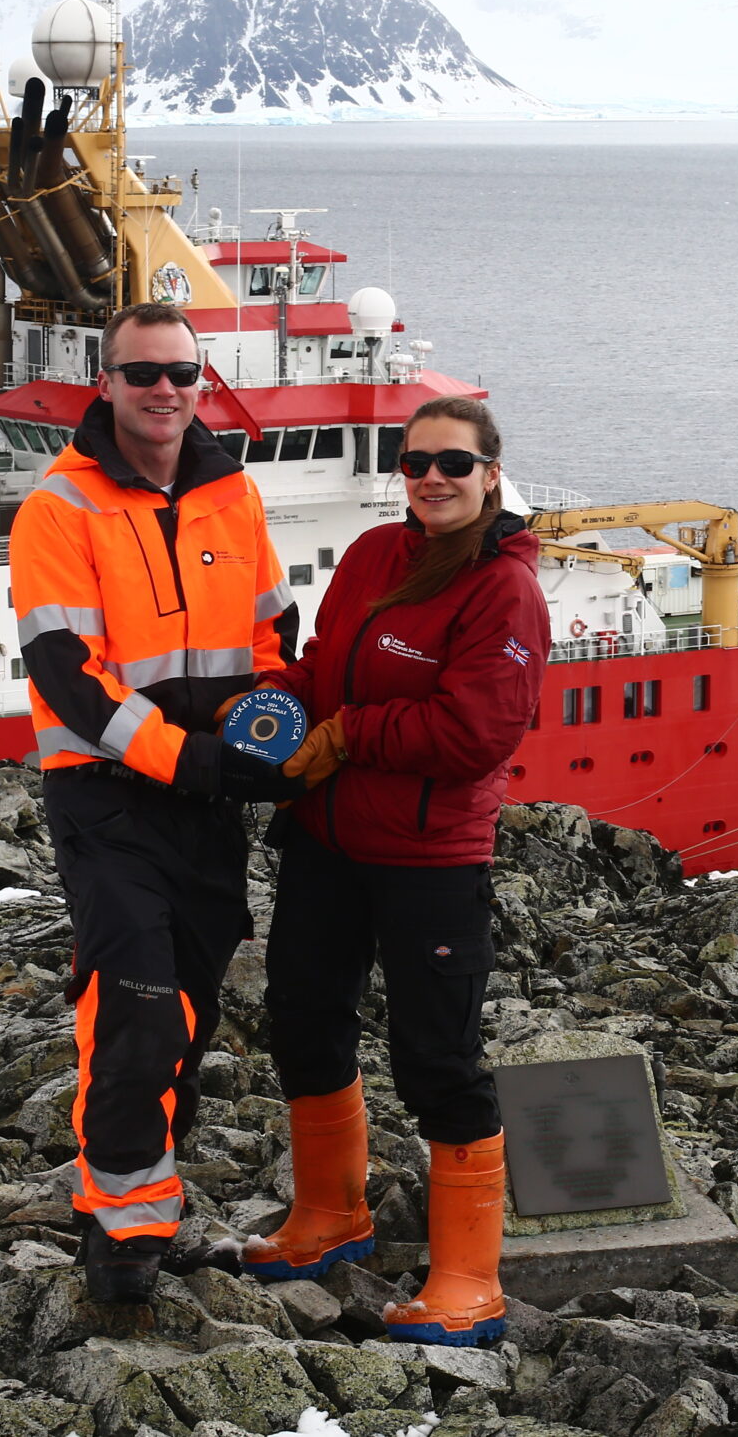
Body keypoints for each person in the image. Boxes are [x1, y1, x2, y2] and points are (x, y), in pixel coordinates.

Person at [8, 299, 304, 1304]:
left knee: (189, 1010)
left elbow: (272, 636)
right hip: (105, 797)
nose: (165, 390)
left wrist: (273, 726)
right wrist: (194, 760)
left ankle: (148, 1196)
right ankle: (121, 1238)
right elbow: (66, 674)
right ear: (108, 384)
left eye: (181, 372)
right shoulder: (62, 505)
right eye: (143, 374)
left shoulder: (234, 496)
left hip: (205, 805)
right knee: (133, 1007)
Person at [240, 394, 550, 1348]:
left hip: (429, 861)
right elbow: (331, 662)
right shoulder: (378, 552)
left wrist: (347, 733)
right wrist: (276, 703)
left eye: (454, 464)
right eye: (416, 462)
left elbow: (474, 733)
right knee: (302, 1015)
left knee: (437, 1054)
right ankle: (330, 1215)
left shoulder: (505, 591)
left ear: (492, 474)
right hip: (329, 841)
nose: (432, 479)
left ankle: (468, 1277)